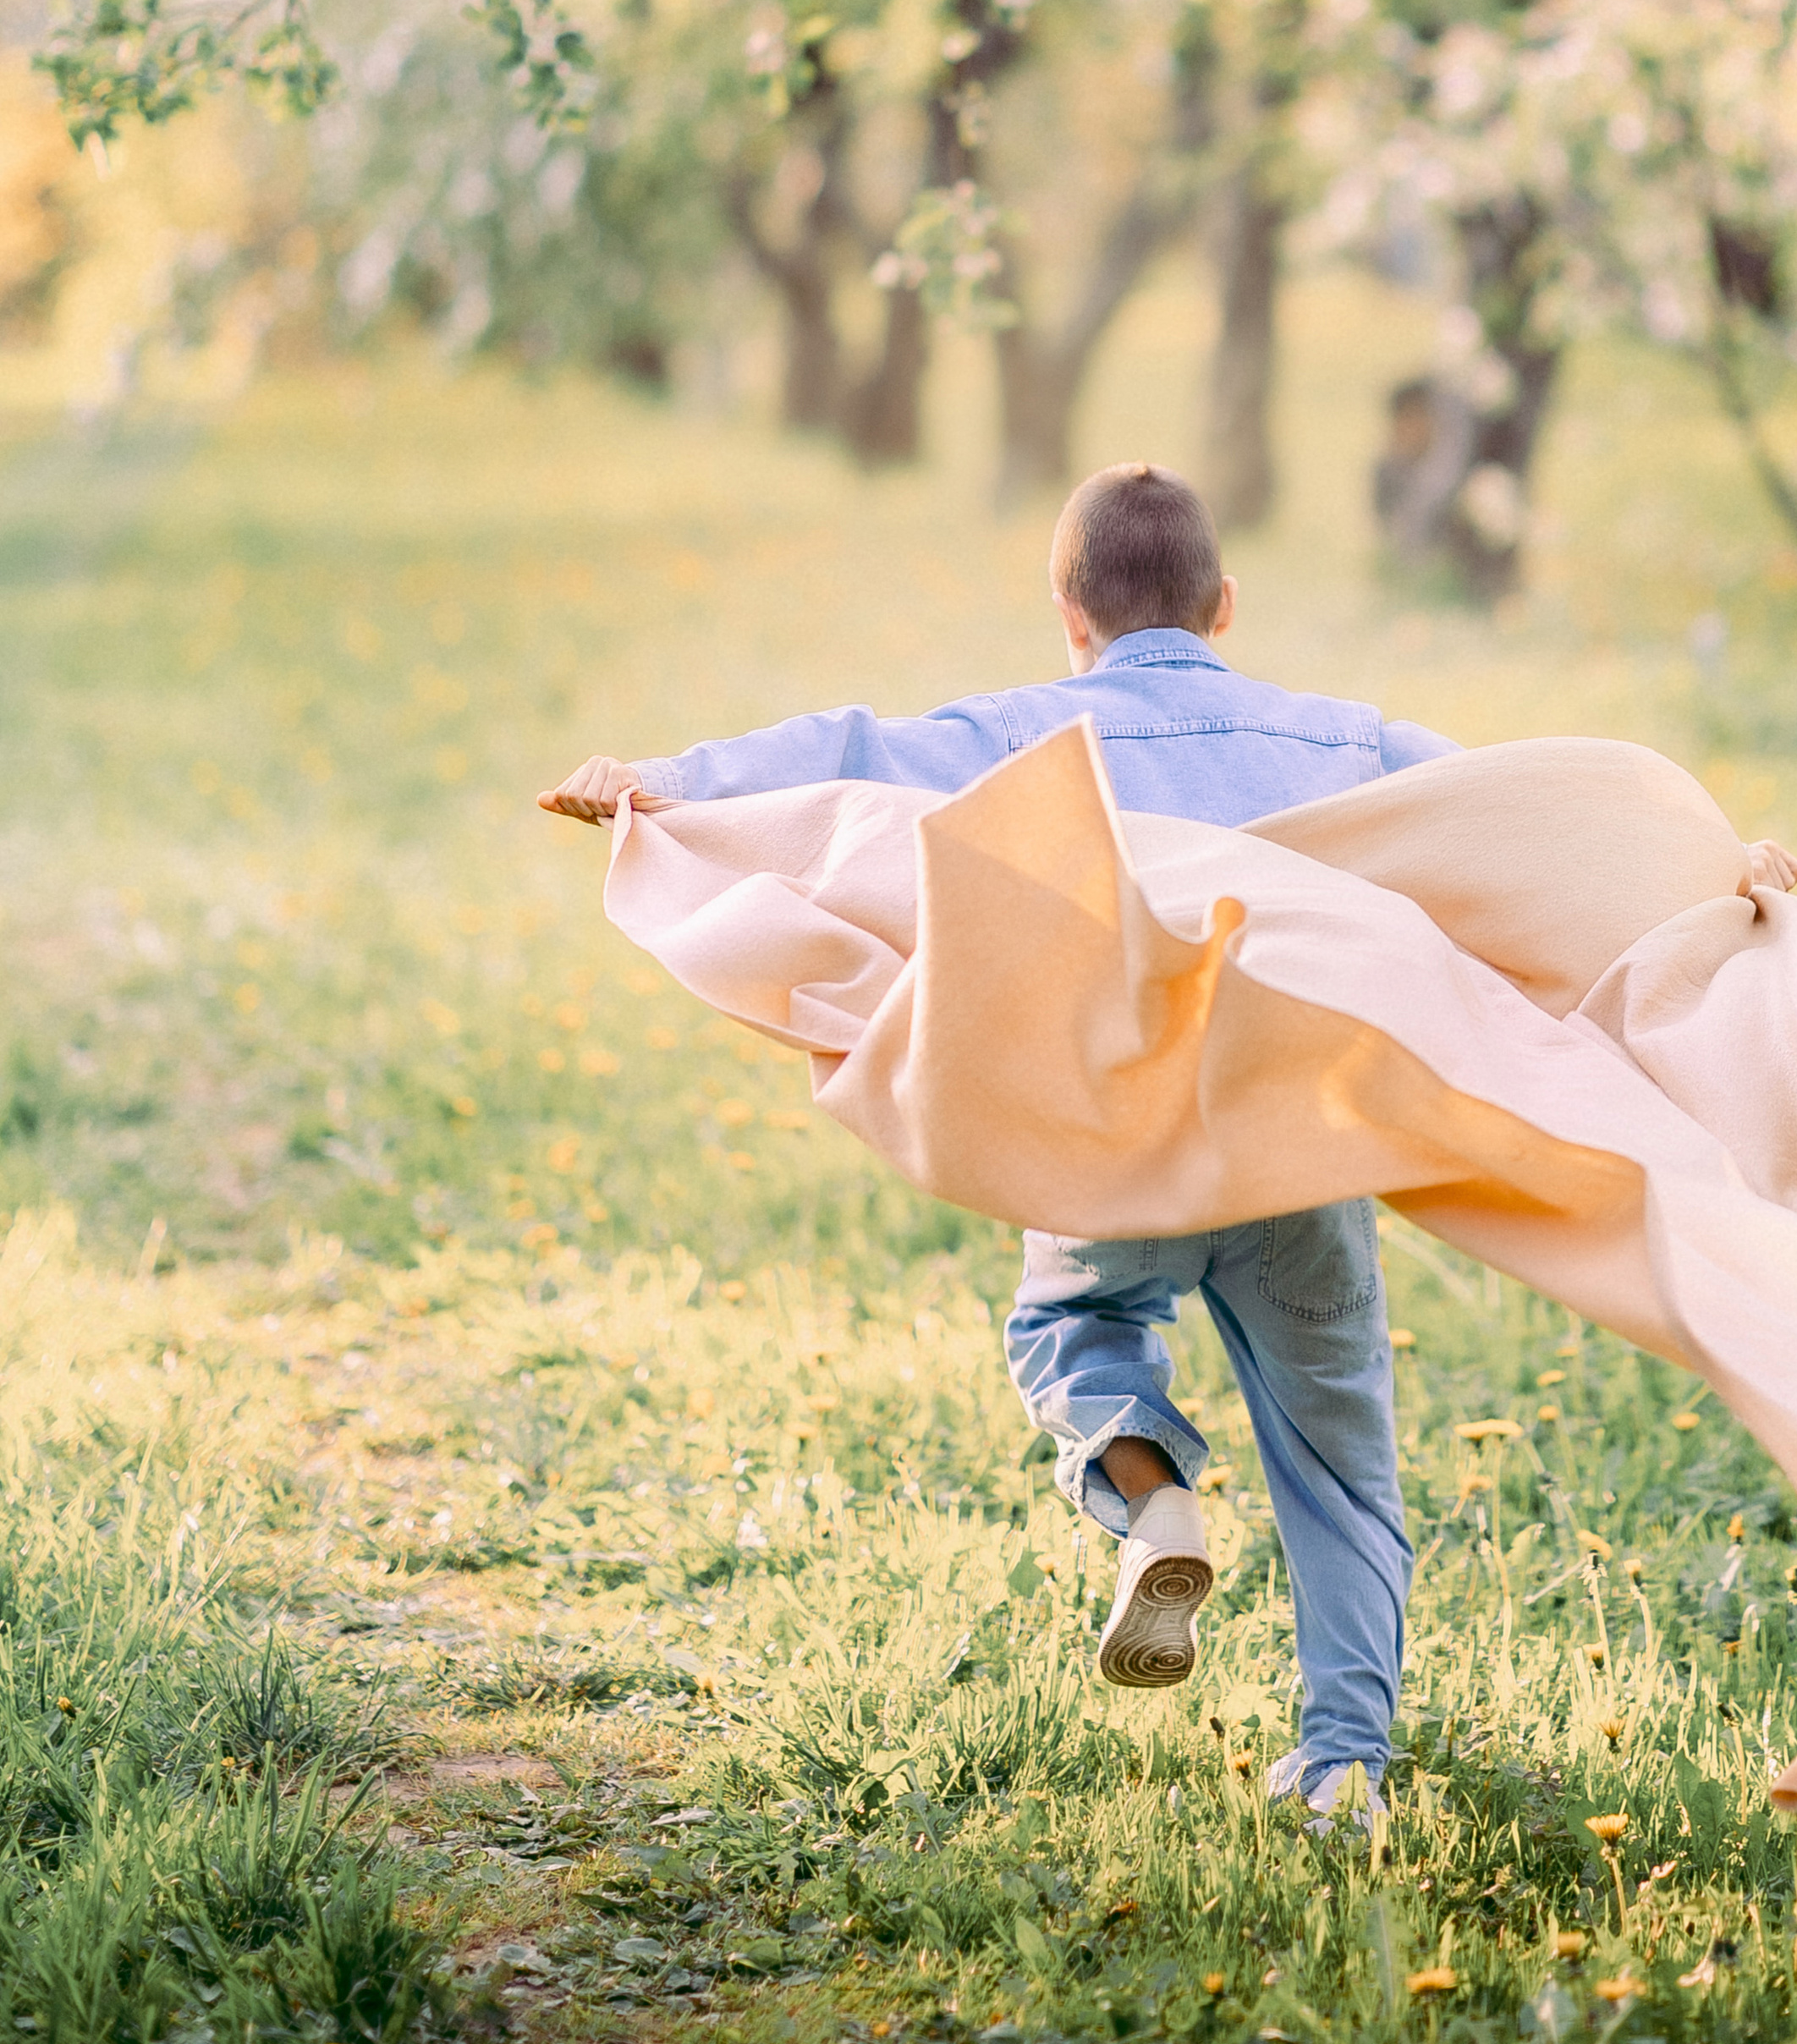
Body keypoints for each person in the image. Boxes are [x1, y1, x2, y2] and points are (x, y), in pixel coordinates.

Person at [541, 462, 1463, 1818]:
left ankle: (1153, 1503)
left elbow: (840, 755)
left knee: (1071, 1332)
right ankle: (1343, 1769)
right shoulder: (1346, 739)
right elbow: (1523, 812)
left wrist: (660, 782)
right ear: (1223, 606)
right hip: (1297, 1152)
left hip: (1109, 1150)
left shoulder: (1019, 732)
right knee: (1339, 1459)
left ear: (1067, 614)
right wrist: (1720, 862)